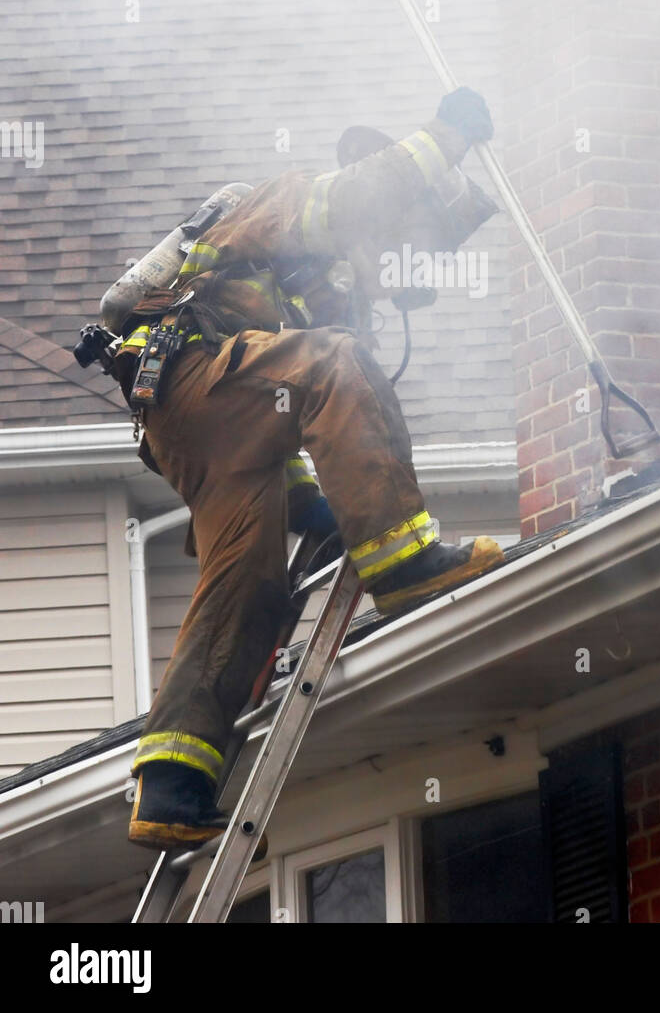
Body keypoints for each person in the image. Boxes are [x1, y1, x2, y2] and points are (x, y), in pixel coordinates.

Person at [114, 86, 506, 848]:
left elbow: (281, 411)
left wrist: (315, 507)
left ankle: (171, 781)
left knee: (249, 580)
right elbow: (360, 201)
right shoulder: (288, 204)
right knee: (339, 363)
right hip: (194, 373)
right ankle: (405, 565)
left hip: (195, 421)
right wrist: (447, 136)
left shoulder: (308, 300)